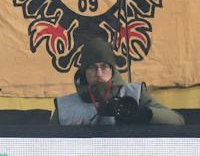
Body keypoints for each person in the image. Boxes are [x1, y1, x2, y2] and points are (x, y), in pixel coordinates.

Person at [54, 36, 183, 126]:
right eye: (92, 68)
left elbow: (177, 120)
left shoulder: (135, 94)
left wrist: (145, 114)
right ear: (83, 72)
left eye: (104, 66)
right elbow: (47, 147)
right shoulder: (65, 106)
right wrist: (68, 135)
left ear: (112, 69)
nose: (99, 73)